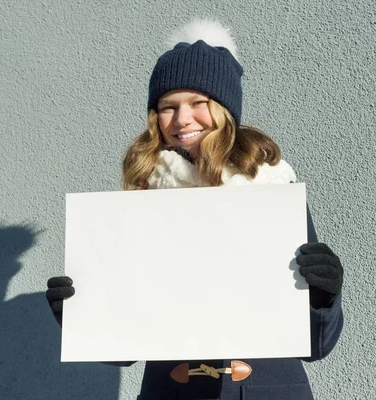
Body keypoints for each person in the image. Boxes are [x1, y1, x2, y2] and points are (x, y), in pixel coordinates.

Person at [47, 19, 344, 400]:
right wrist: (80, 315)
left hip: (269, 390)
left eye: (197, 103)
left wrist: (324, 295)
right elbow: (123, 347)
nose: (182, 119)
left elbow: (317, 345)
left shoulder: (273, 189)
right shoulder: (142, 199)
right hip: (172, 391)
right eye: (167, 107)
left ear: (222, 108)